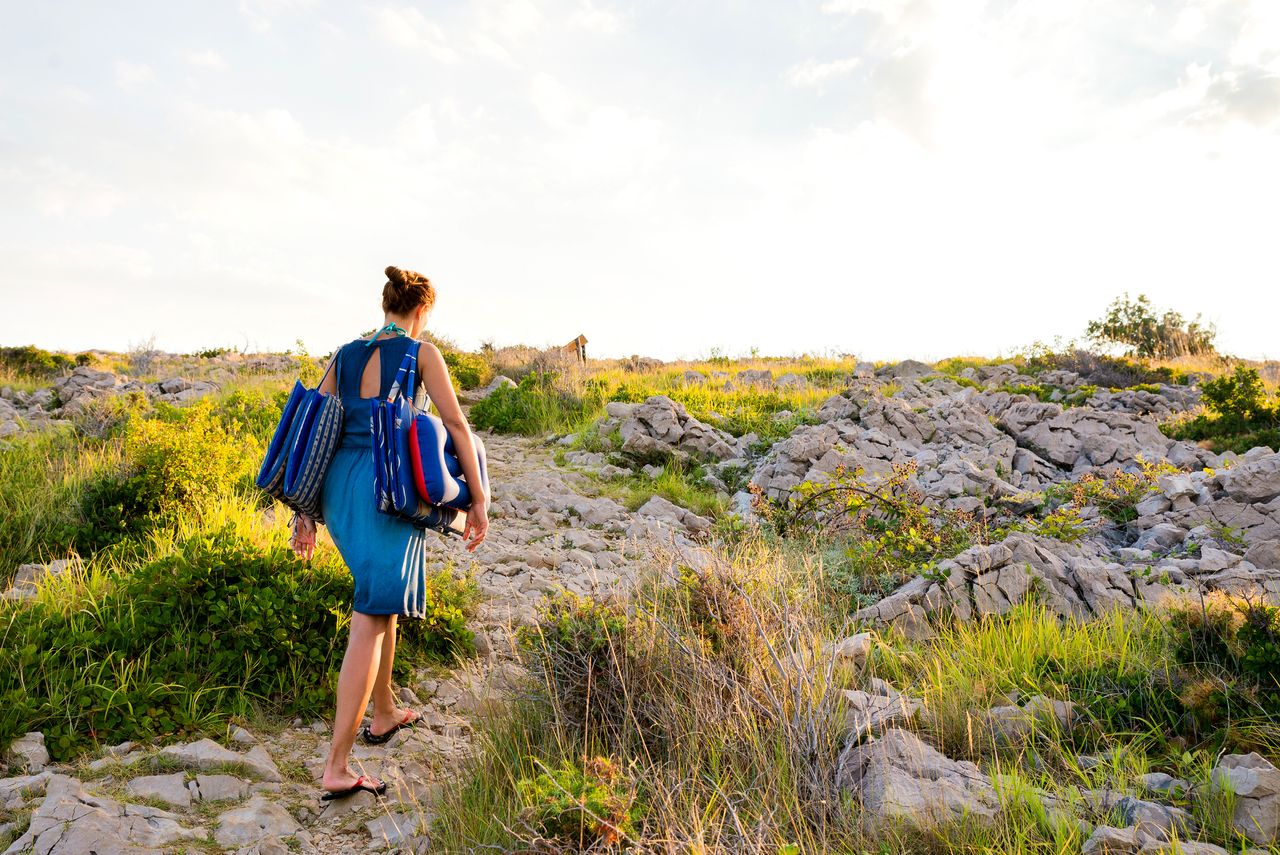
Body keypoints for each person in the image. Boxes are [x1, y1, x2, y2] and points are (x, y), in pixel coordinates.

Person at [288, 265, 489, 801]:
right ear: (421, 310)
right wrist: (479, 498)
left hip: (340, 487)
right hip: (387, 489)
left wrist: (304, 510)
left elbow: (314, 429)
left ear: (386, 305)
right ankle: (336, 763)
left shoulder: (345, 354)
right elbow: (457, 427)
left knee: (384, 598)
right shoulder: (422, 354)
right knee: (372, 612)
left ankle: (383, 712)